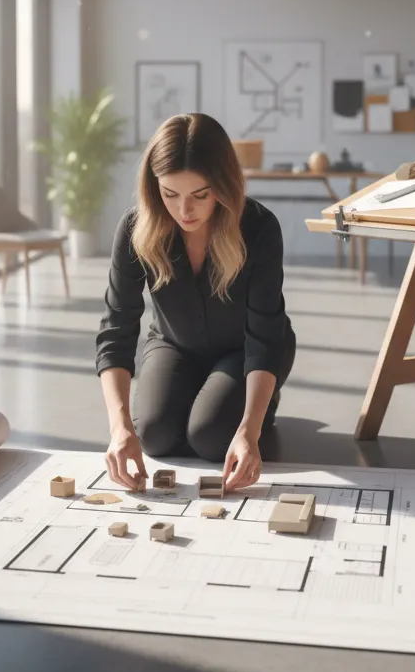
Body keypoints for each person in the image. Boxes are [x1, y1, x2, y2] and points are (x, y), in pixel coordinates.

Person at [96, 113, 296, 493]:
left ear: (222, 185)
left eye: (199, 195)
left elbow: (266, 337)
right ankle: (208, 400)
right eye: (170, 194)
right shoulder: (135, 229)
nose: (184, 211)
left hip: (248, 349)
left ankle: (258, 403)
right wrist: (119, 428)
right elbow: (116, 331)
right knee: (154, 434)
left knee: (210, 437)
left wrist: (249, 431)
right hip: (174, 343)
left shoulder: (259, 228)